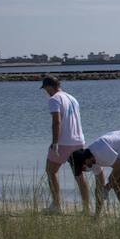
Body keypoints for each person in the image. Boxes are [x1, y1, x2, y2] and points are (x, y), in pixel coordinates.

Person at [40, 76, 89, 213]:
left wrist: (55, 142)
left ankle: (57, 205)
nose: (46, 92)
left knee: (51, 171)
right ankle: (86, 208)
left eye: (45, 89)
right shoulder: (72, 98)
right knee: (79, 175)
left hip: (63, 143)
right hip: (79, 141)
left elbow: (57, 122)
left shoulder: (54, 99)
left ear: (49, 86)